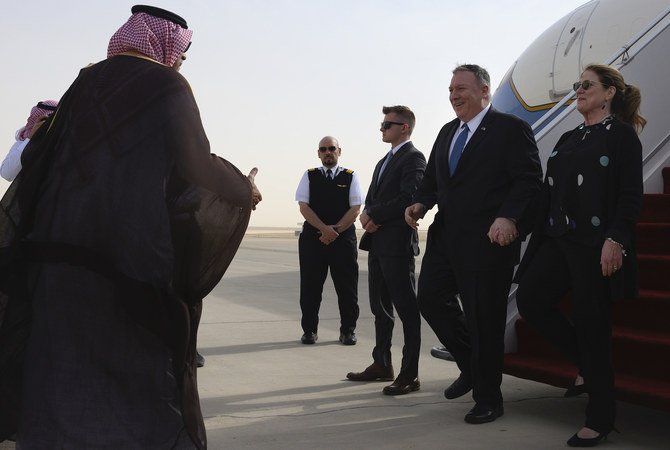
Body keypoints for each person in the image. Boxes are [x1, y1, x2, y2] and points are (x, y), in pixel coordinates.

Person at [0, 5, 261, 449]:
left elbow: (42, 156)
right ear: (164, 45)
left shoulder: (86, 81)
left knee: (60, 358)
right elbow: (194, 164)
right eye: (181, 53)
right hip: (127, 256)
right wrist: (241, 189)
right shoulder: (167, 85)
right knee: (138, 365)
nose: (180, 61)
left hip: (58, 254)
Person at [515, 64, 645, 447]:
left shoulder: (622, 136)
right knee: (531, 300)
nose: (579, 90)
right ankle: (586, 367)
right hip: (558, 238)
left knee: (593, 326)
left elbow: (629, 195)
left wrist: (616, 239)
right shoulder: (569, 137)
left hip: (595, 242)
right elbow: (549, 193)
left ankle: (601, 419)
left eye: (586, 85)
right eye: (577, 85)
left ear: (609, 94)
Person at [405, 64, 542, 422]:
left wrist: (508, 216)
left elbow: (528, 180)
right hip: (447, 238)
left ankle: (488, 398)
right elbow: (434, 180)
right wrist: (421, 202)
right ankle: (470, 365)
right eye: (451, 89)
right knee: (431, 299)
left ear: (484, 91)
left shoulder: (511, 129)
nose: (454, 94)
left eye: (461, 88)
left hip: (488, 242)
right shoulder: (448, 132)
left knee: (485, 320)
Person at [346, 105, 426, 396]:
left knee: (407, 310)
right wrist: (367, 215)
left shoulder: (414, 158)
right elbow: (373, 198)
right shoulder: (383, 161)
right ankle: (382, 364)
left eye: (387, 125)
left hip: (397, 245)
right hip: (378, 244)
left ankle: (410, 374)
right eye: (382, 124)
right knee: (380, 308)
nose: (382, 129)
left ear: (404, 127)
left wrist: (374, 215)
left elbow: (409, 196)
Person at [295, 136, 361, 345]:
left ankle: (348, 331)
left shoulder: (350, 176)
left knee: (347, 288)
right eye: (323, 149)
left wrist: (335, 231)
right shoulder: (309, 176)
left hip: (343, 241)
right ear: (318, 153)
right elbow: (304, 207)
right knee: (310, 288)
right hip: (314, 241)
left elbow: (356, 208)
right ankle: (309, 331)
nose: (327, 152)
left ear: (339, 151)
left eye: (331, 148)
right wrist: (324, 229)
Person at [1, 100, 58, 181]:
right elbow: (7, 174)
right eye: (45, 120)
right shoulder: (21, 144)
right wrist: (30, 139)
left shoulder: (64, 144)